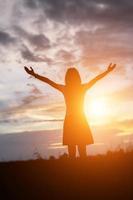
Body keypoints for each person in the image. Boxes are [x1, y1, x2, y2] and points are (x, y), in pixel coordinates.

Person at [24, 63, 116, 159]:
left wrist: (34, 74)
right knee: (81, 151)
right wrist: (107, 71)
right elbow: (96, 79)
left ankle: (76, 171)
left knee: (74, 151)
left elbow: (49, 81)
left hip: (72, 120)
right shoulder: (80, 88)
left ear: (67, 78)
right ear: (77, 77)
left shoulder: (66, 88)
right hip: (79, 120)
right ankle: (82, 171)